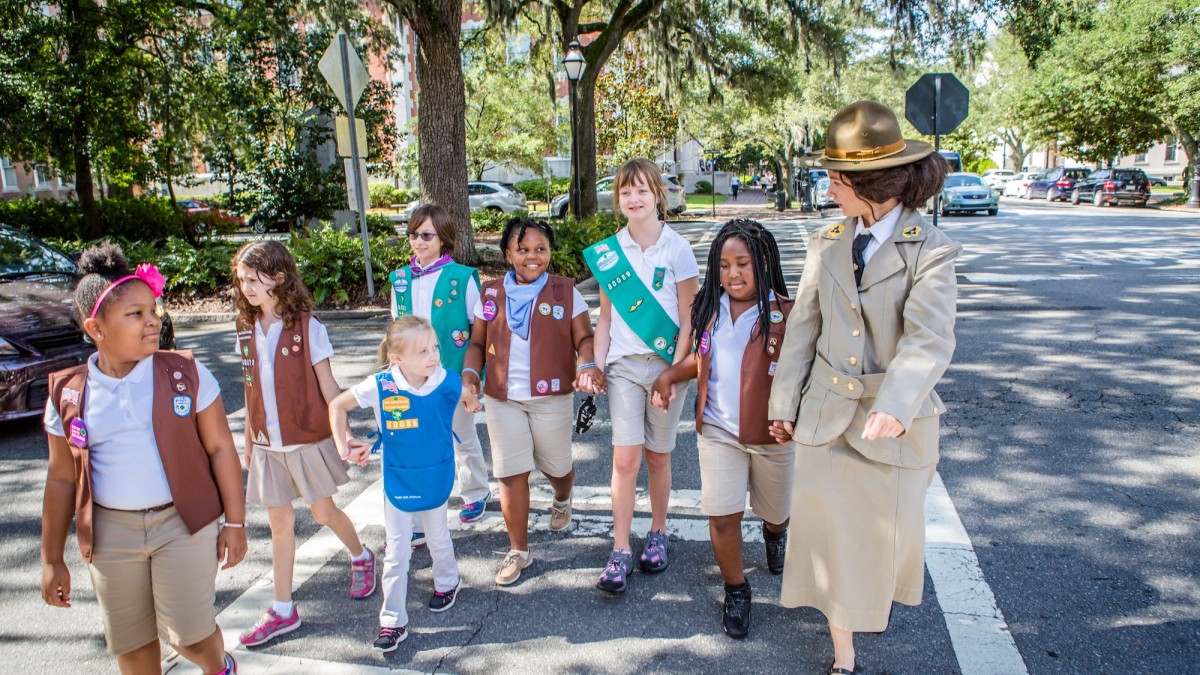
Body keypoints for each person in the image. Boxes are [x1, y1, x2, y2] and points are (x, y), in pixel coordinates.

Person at [767, 100, 961, 674]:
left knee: (870, 546)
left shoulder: (929, 247)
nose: (827, 187)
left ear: (867, 185)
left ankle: (857, 624)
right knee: (829, 539)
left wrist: (898, 405)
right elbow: (803, 327)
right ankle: (843, 656)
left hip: (888, 426)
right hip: (826, 418)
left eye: (835, 178)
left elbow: (928, 340)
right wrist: (784, 404)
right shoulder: (827, 239)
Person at [40, 242, 246, 675]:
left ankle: (218, 665)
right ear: (96, 328)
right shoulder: (69, 391)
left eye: (153, 309)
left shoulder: (185, 373)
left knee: (189, 635)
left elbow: (221, 448)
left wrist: (235, 522)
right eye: (135, 314)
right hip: (111, 531)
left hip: (182, 522)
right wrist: (52, 558)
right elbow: (60, 479)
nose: (153, 320)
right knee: (132, 646)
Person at [651, 219, 794, 640]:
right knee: (723, 517)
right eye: (725, 265)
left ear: (764, 262)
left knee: (776, 510)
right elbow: (702, 360)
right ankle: (736, 589)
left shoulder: (786, 314)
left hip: (772, 438)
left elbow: (804, 373)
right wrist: (669, 377)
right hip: (718, 431)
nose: (733, 274)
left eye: (744, 264)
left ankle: (775, 533)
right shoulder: (708, 309)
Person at [230, 241, 375, 647]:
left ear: (279, 277)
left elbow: (331, 389)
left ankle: (362, 556)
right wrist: (248, 440)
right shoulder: (244, 329)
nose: (246, 287)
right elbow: (249, 389)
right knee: (280, 525)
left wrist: (344, 435)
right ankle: (282, 609)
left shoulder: (309, 327)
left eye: (254, 278)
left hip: (306, 440)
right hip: (267, 445)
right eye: (241, 280)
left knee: (324, 511)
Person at [462, 217, 604, 586]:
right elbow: (477, 344)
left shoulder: (565, 291)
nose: (532, 256)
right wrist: (469, 378)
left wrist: (587, 364)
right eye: (522, 249)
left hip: (551, 396)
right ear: (508, 254)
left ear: (550, 253)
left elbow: (584, 338)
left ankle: (562, 495)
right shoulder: (490, 294)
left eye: (540, 249)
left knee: (557, 467)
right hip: (502, 397)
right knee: (510, 472)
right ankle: (518, 549)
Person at [581, 157, 700, 593]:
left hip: (667, 367)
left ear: (658, 196)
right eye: (626, 192)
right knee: (625, 458)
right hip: (625, 369)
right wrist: (596, 363)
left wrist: (675, 372)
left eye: (642, 190)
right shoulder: (611, 252)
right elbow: (606, 320)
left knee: (659, 456)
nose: (634, 198)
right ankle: (619, 549)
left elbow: (690, 320)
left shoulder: (678, 249)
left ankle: (658, 532)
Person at [330, 316, 469, 652]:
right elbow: (337, 404)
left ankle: (449, 582)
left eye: (434, 347)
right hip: (399, 478)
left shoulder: (444, 380)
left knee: (438, 537)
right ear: (397, 358)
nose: (433, 355)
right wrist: (344, 445)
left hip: (434, 473)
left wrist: (472, 399)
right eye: (423, 351)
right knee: (396, 552)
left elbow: (463, 391)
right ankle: (392, 620)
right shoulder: (379, 384)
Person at [389, 204, 489, 539]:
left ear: (443, 238)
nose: (419, 241)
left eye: (427, 235)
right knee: (417, 440)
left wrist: (473, 377)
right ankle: (418, 510)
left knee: (461, 433)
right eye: (414, 234)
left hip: (452, 372)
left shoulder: (461, 278)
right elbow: (396, 327)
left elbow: (479, 330)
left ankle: (475, 491)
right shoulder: (400, 279)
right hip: (410, 375)